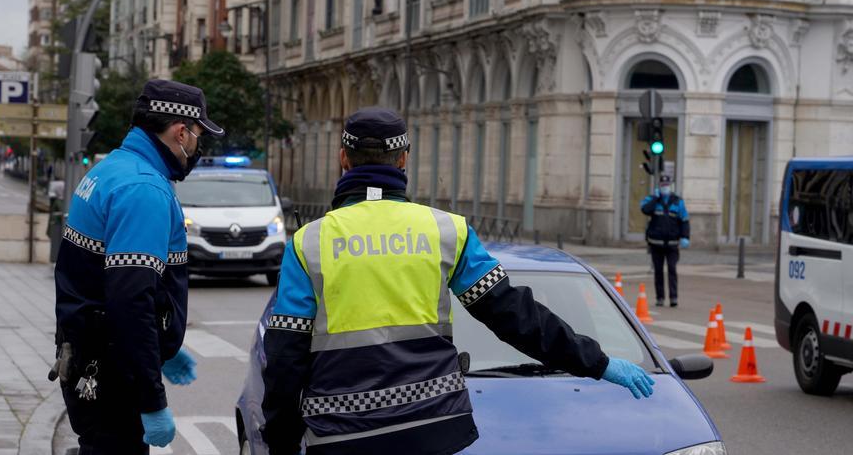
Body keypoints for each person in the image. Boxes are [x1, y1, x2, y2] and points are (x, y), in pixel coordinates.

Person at [260, 107, 655, 455]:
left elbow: (284, 358)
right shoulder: (447, 232)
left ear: (342, 158)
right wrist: (597, 362)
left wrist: (281, 441)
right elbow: (516, 316)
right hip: (431, 428)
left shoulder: (308, 243)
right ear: (404, 160)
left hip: (342, 435)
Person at [52, 79, 225, 454]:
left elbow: (101, 279)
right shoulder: (143, 189)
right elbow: (130, 302)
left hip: (92, 357)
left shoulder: (113, 169)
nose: (197, 144)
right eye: (197, 134)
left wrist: (164, 345)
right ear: (181, 132)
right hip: (113, 375)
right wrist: (151, 399)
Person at [640, 175, 690, 307]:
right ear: (659, 186)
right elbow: (645, 210)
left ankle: (673, 297)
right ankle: (660, 298)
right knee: (658, 271)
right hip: (656, 243)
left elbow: (684, 220)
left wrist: (685, 237)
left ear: (671, 185)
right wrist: (656, 198)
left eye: (667, 185)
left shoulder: (677, 201)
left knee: (672, 270)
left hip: (672, 244)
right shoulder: (652, 199)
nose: (665, 187)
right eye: (662, 185)